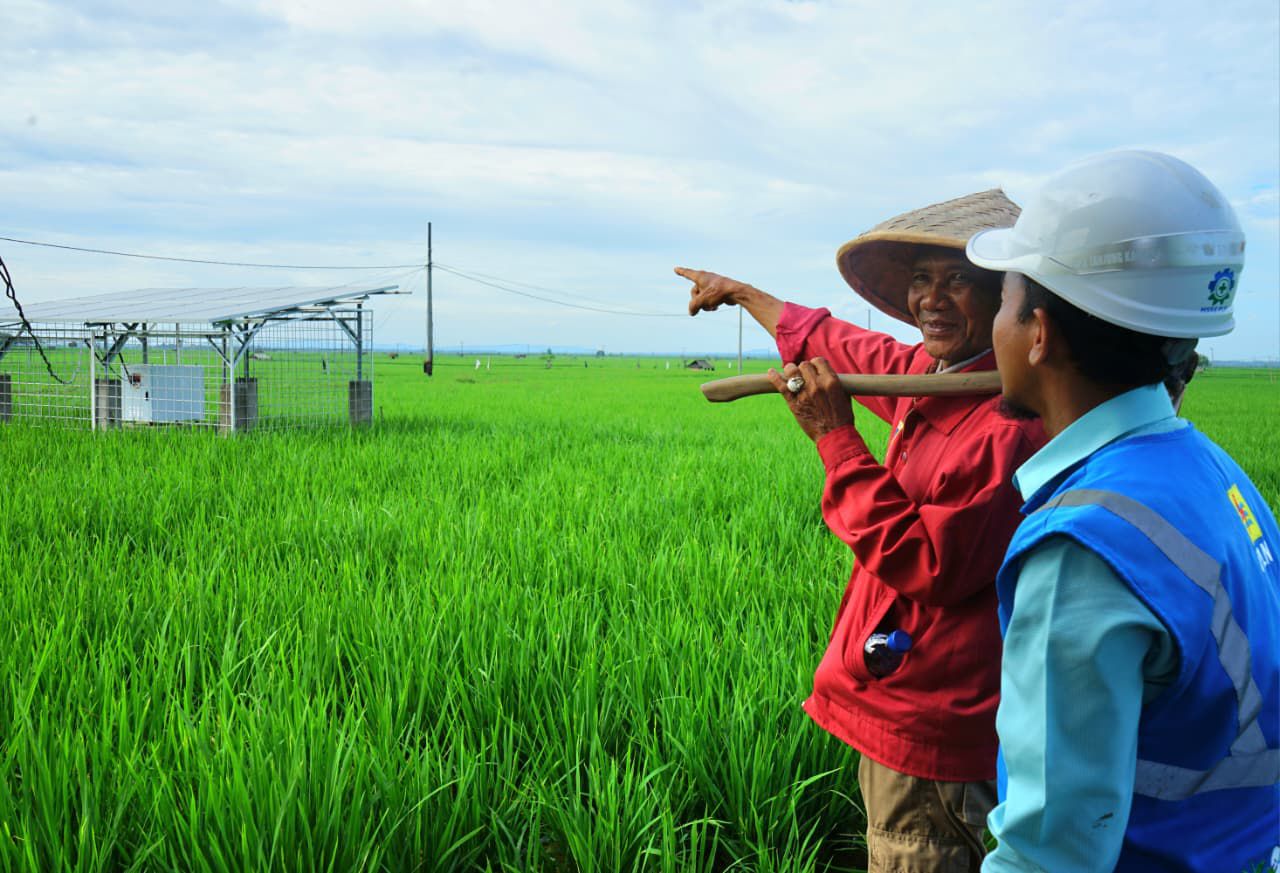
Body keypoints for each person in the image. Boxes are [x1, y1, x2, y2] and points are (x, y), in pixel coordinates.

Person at [679, 189, 1045, 873]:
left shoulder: (1005, 427)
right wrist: (745, 294)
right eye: (920, 280)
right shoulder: (933, 373)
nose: (931, 299)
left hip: (933, 720)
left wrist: (836, 439)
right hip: (901, 698)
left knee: (918, 854)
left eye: (958, 280)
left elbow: (929, 564)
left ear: (1008, 301)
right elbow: (848, 345)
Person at [965, 149, 1280, 872]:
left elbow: (1050, 853)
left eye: (1005, 305)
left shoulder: (1085, 545)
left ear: (1039, 333)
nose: (996, 332)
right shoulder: (1216, 474)